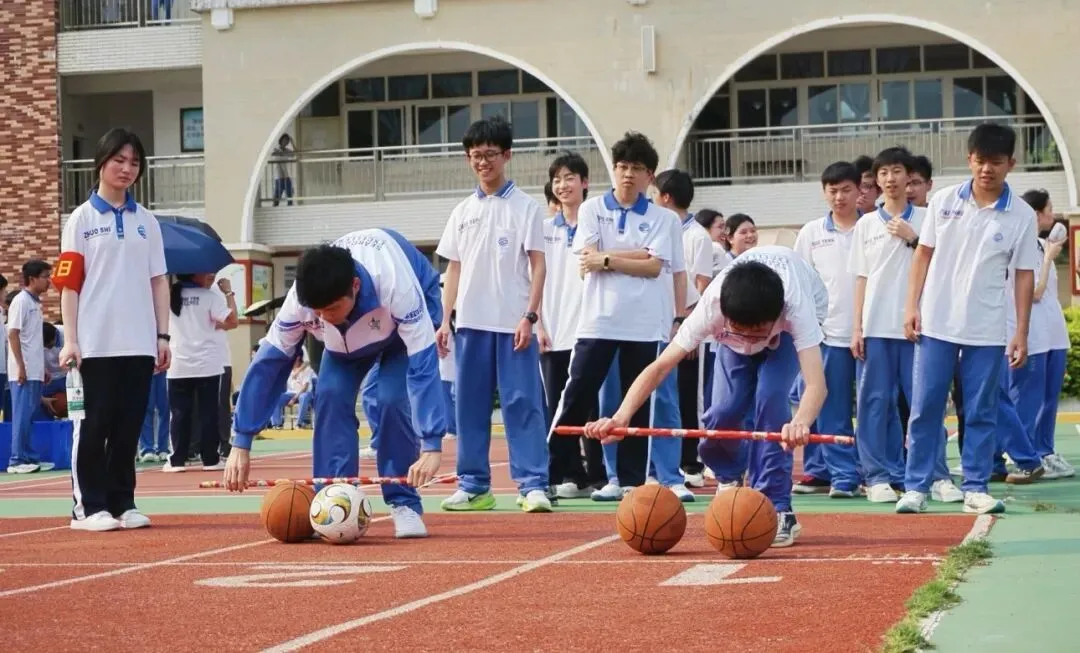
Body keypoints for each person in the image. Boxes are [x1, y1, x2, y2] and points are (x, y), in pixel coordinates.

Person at [585, 245, 828, 547]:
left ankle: (777, 507)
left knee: (771, 403)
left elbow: (816, 384)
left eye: (758, 334)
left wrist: (801, 421)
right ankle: (729, 474)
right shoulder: (711, 306)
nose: (751, 343)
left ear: (778, 316)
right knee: (722, 411)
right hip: (736, 327)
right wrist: (622, 416)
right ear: (725, 316)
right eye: (741, 332)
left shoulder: (796, 307)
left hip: (789, 334)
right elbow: (660, 367)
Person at [225, 228, 447, 538]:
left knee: (391, 398)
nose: (323, 317)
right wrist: (242, 440)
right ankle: (335, 497)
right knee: (329, 394)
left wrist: (432, 445)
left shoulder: (395, 281)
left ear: (355, 287)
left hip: (401, 331)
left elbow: (423, 367)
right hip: (345, 344)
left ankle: (403, 503)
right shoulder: (300, 300)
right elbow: (268, 365)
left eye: (330, 309)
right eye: (316, 312)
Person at [898, 123, 1040, 515]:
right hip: (937, 324)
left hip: (987, 328)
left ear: (1010, 163)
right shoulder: (944, 201)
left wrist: (1021, 332)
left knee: (980, 411)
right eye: (980, 161)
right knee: (926, 407)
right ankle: (916, 486)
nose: (986, 170)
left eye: (996, 162)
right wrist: (911, 306)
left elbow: (1024, 274)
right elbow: (922, 254)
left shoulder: (1022, 215)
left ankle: (975, 486)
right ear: (969, 160)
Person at [547, 131, 679, 497]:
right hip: (597, 321)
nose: (627, 174)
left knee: (638, 405)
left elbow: (655, 267)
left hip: (645, 323)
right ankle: (553, 473)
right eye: (621, 166)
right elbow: (587, 257)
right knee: (576, 396)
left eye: (636, 168)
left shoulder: (663, 219)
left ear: (649, 176)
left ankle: (630, 481)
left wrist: (609, 258)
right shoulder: (592, 210)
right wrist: (637, 254)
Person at [53, 127, 171, 532]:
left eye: (134, 163)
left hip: (138, 343)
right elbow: (69, 286)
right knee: (93, 425)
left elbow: (159, 280)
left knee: (127, 427)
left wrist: (162, 335)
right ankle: (87, 507)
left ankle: (123, 502)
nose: (126, 169)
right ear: (101, 163)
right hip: (95, 345)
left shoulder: (147, 221)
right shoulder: (80, 221)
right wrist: (71, 339)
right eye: (119, 160)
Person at [435, 116, 551, 513]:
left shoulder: (527, 208)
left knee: (523, 403)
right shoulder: (462, 211)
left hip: (512, 324)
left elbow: (538, 265)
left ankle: (533, 484)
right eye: (475, 156)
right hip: (469, 324)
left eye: (489, 155)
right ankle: (473, 485)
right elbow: (453, 269)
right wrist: (445, 318)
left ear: (507, 155)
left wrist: (530, 316)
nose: (482, 162)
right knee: (468, 405)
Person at [850, 148, 964, 505]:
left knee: (925, 404)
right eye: (882, 173)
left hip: (919, 327)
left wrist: (913, 237)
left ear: (908, 176)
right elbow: (861, 279)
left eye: (896, 172)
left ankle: (938, 476)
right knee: (874, 404)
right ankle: (878, 476)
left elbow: (943, 265)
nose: (890, 179)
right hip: (876, 327)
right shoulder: (866, 223)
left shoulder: (930, 217)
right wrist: (857, 327)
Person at [792, 162, 863, 498]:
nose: (839, 197)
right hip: (829, 336)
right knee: (832, 409)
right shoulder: (811, 233)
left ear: (859, 190)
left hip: (871, 333)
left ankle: (879, 471)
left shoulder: (872, 228)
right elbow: (799, 282)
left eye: (846, 189)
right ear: (824, 192)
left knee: (876, 407)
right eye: (832, 190)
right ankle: (843, 476)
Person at [538, 151, 606, 499]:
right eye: (557, 179)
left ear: (585, 183)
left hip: (592, 331)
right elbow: (532, 279)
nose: (563, 185)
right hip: (553, 330)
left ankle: (599, 474)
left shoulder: (597, 225)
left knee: (593, 407)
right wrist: (537, 323)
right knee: (558, 408)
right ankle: (571, 474)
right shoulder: (543, 229)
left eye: (569, 178)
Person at [654, 169, 713, 490]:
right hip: (663, 327)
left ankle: (691, 461)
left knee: (689, 397)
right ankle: (667, 460)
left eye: (654, 194)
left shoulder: (696, 236)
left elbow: (701, 287)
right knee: (666, 395)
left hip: (689, 327)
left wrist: (692, 331)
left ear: (666, 197)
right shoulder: (661, 229)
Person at [1013, 189, 1073, 478]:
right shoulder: (1023, 246)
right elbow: (1034, 293)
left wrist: (1049, 252)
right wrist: (1049, 259)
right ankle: (1026, 456)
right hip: (1033, 336)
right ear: (1036, 214)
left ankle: (1045, 451)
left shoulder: (1041, 244)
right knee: (1029, 399)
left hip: (1053, 334)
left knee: (1050, 399)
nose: (1052, 215)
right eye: (1049, 210)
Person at [163, 274, 238, 472]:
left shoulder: (168, 295)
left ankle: (177, 460)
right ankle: (210, 459)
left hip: (179, 364)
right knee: (208, 413)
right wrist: (229, 293)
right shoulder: (209, 296)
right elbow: (232, 321)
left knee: (179, 414)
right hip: (207, 364)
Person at [6, 260, 53, 474]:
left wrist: (40, 367)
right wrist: (20, 367)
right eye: (45, 276)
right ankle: (16, 460)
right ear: (32, 278)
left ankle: (29, 456)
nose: (49, 281)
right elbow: (13, 334)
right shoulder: (21, 301)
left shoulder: (36, 303)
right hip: (22, 372)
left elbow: (32, 340)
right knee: (22, 416)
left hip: (34, 369)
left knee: (31, 416)